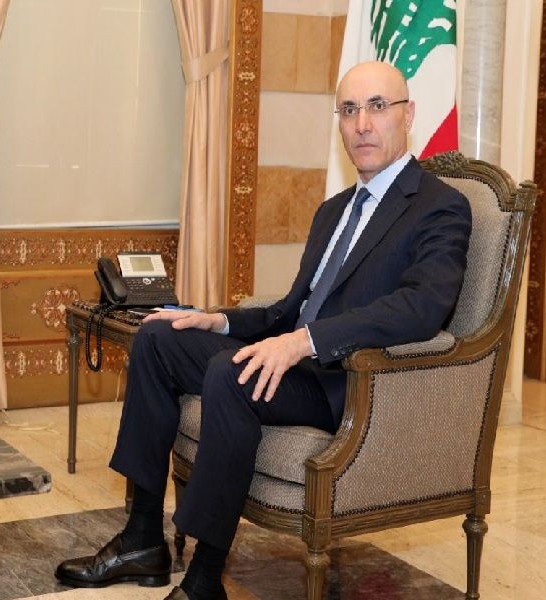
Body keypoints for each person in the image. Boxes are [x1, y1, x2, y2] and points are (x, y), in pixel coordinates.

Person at [54, 61, 472, 600]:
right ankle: (141, 540)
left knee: (230, 373)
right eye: (349, 110)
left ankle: (204, 582)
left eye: (376, 107)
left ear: (408, 115)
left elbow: (422, 307)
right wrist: (219, 319)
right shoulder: (334, 211)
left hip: (347, 380)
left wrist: (306, 341)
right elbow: (290, 309)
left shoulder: (439, 205)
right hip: (297, 360)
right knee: (158, 337)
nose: (362, 124)